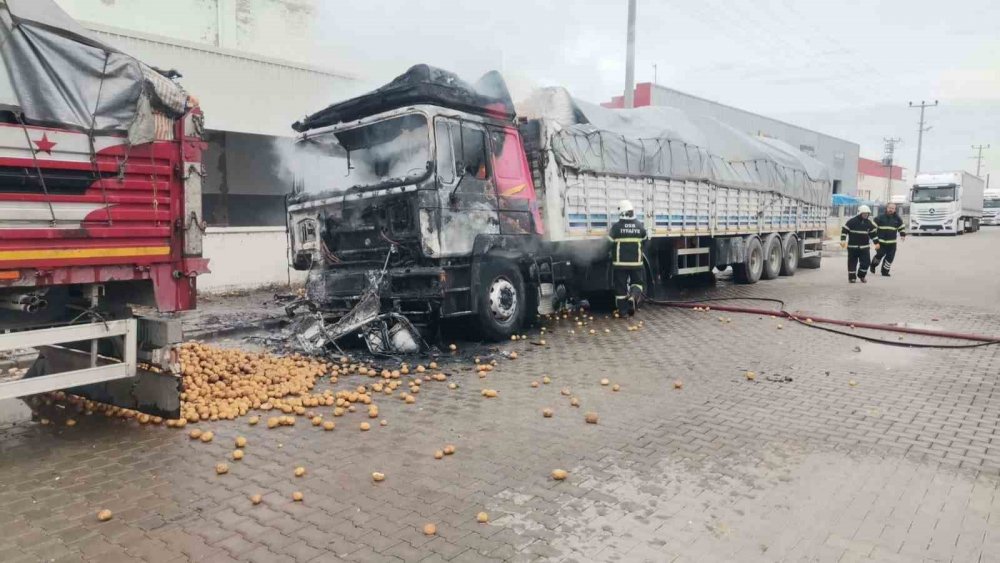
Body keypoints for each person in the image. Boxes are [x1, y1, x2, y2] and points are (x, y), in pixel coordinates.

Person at [608, 200, 646, 315]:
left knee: (620, 288)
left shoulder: (616, 228)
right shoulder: (640, 226)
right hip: (636, 264)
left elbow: (608, 244)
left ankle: (622, 311)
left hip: (620, 265)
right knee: (637, 283)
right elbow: (645, 242)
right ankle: (633, 297)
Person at [840, 205, 879, 283]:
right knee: (852, 263)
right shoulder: (852, 221)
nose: (866, 215)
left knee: (866, 262)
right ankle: (852, 278)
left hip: (864, 248)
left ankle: (861, 275)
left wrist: (876, 243)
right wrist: (843, 240)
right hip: (852, 247)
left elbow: (873, 234)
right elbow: (844, 231)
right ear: (860, 213)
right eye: (864, 213)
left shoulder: (869, 223)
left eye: (867, 214)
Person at [870, 203, 906, 276]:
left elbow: (901, 227)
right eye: (889, 208)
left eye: (892, 208)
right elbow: (872, 227)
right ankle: (873, 265)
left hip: (892, 243)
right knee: (880, 254)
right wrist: (872, 235)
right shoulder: (880, 217)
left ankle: (885, 272)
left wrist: (902, 235)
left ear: (895, 210)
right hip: (881, 242)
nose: (891, 209)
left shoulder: (897, 219)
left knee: (890, 258)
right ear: (887, 208)